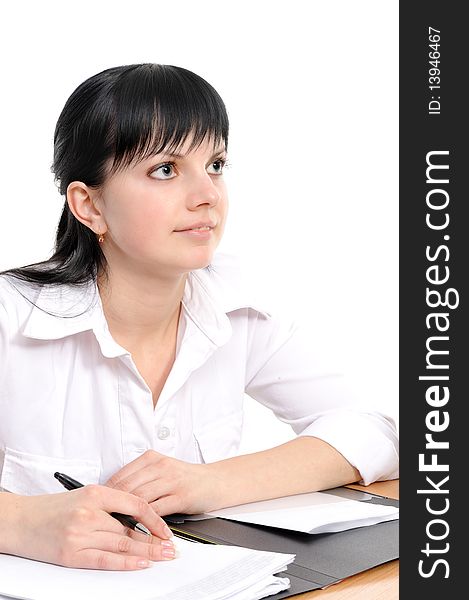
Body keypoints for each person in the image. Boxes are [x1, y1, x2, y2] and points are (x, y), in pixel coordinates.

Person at [0, 63, 399, 571]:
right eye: (165, 170)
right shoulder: (11, 317)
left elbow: (378, 432)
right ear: (90, 206)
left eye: (214, 165)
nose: (207, 194)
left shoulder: (239, 304)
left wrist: (206, 482)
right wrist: (19, 521)